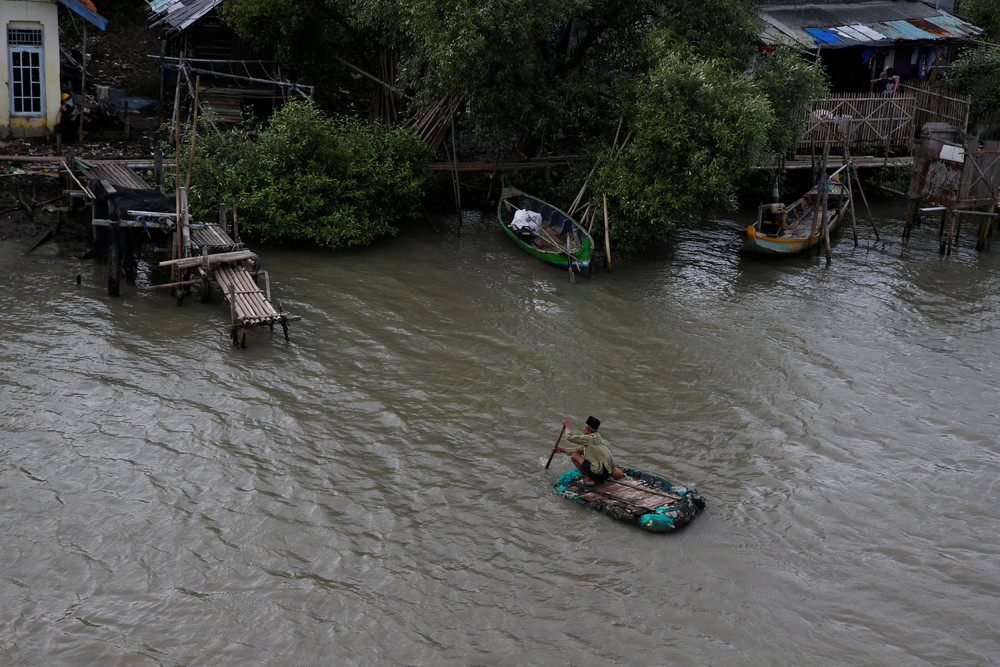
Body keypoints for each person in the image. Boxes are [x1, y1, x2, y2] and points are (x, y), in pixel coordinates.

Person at [553, 416, 621, 486]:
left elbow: (570, 437)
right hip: (607, 474)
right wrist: (561, 450)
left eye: (584, 427)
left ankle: (589, 478)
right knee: (579, 453)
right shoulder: (597, 437)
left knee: (574, 456)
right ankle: (592, 476)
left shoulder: (590, 439)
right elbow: (579, 450)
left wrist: (567, 425)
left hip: (599, 476)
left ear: (587, 429)